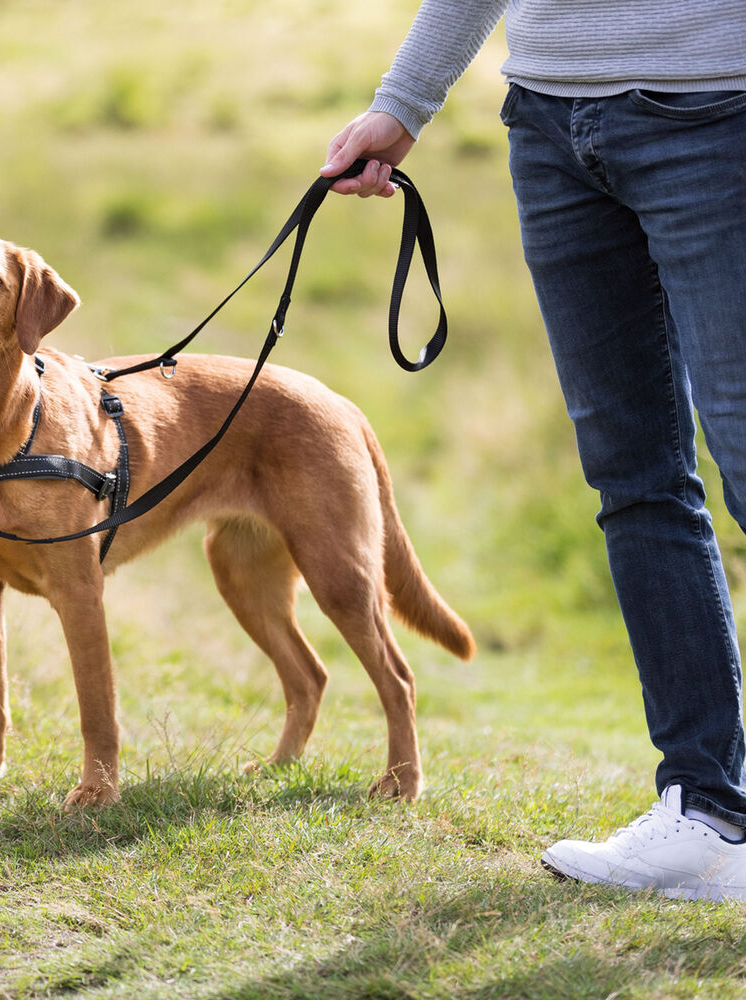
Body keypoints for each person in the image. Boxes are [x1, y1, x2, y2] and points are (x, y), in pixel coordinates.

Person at [321, 0, 746, 901]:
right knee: (635, 478)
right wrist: (403, 103)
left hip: (718, 114)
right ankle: (706, 815)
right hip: (550, 126)